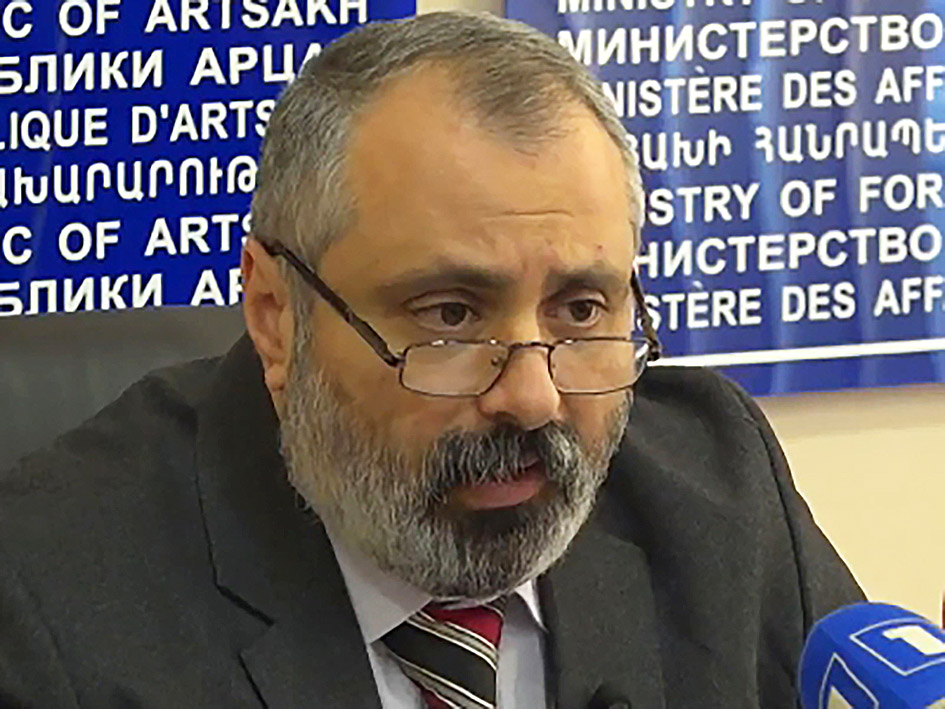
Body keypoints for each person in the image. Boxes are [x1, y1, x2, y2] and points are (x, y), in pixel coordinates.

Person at [0, 11, 862, 709]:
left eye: (579, 309)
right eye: (450, 316)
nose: (532, 396)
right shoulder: (46, 598)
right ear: (276, 316)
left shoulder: (718, 489)